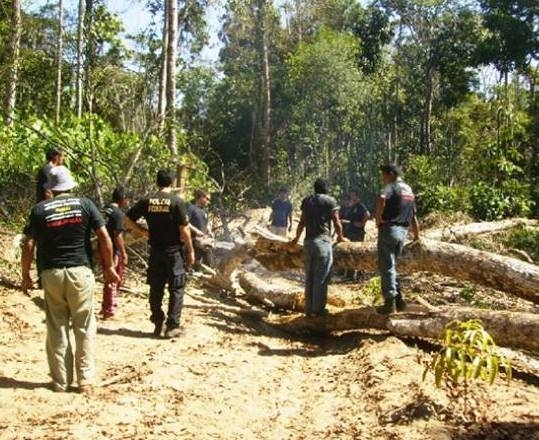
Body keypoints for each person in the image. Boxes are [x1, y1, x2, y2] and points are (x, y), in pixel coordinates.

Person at [21, 165, 120, 394]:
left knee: (57, 327)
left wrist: (25, 275)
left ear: (51, 189)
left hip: (51, 274)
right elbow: (104, 237)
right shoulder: (85, 204)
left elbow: (28, 245)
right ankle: (84, 381)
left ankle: (61, 382)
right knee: (84, 325)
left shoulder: (40, 210)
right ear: (70, 186)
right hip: (80, 272)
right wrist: (109, 267)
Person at [125, 169, 195, 339]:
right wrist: (190, 250)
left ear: (157, 182)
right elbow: (184, 229)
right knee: (176, 288)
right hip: (173, 252)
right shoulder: (177, 202)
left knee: (156, 288)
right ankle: (172, 326)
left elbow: (126, 219)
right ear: (172, 182)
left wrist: (144, 232)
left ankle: (157, 321)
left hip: (155, 251)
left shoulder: (147, 201)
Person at [290, 178, 346, 317]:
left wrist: (296, 239)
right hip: (323, 242)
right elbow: (337, 222)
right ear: (326, 188)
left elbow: (302, 223)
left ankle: (309, 310)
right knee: (321, 277)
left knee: (310, 277)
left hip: (308, 243)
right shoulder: (329, 201)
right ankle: (318, 311)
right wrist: (340, 237)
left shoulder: (307, 201)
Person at [375, 163, 420, 314]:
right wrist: (417, 235)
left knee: (386, 267)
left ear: (391, 174)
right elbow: (413, 215)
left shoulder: (391, 186)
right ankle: (399, 301)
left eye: (384, 175)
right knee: (392, 266)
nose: (383, 179)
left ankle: (389, 303)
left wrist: (378, 218)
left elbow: (381, 199)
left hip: (389, 229)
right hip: (403, 232)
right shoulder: (409, 190)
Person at [100, 186, 129, 319]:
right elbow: (117, 235)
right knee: (113, 277)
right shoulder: (117, 213)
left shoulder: (104, 210)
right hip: (112, 250)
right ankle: (108, 308)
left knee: (108, 276)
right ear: (123, 199)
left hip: (101, 247)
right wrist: (123, 253)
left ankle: (107, 305)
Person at [188, 189, 215, 270]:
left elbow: (206, 223)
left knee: (209, 261)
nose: (208, 201)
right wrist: (196, 231)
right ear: (201, 197)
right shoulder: (191, 208)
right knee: (195, 262)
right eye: (207, 198)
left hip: (204, 241)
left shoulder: (204, 210)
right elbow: (185, 223)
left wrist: (209, 230)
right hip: (194, 241)